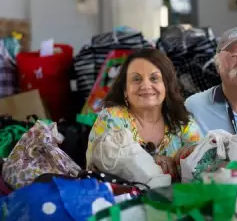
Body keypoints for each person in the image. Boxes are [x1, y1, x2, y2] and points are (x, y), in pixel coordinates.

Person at [86, 48, 201, 177]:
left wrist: (184, 160)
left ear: (166, 86)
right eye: (136, 79)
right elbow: (99, 169)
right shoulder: (111, 119)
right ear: (125, 89)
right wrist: (150, 163)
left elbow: (204, 166)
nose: (145, 85)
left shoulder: (182, 122)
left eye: (154, 78)